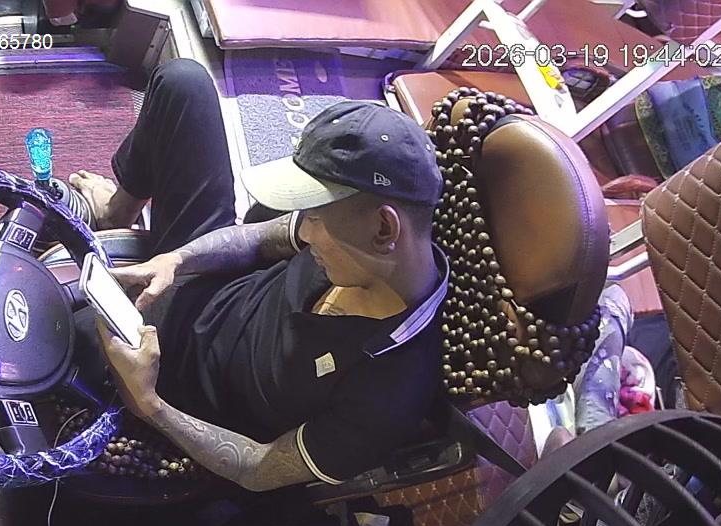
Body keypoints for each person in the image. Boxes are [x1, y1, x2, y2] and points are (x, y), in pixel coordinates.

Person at [69, 59, 448, 493]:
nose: (304, 231)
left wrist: (149, 404)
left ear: (384, 229)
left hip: (170, 370)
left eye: (315, 219)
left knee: (56, 328)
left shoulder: (390, 392)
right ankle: (115, 211)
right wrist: (176, 259)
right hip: (211, 283)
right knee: (183, 83)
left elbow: (258, 469)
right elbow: (258, 238)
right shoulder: (359, 236)